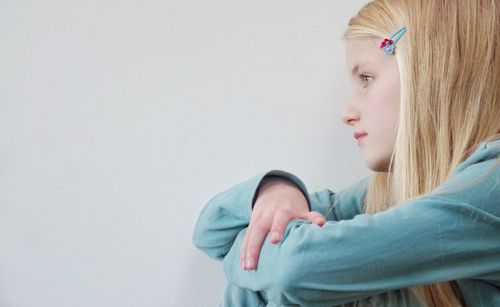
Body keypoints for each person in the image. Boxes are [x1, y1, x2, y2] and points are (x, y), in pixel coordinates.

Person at [193, 0, 500, 306]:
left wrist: (256, 251)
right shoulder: (396, 189)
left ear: (433, 73)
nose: (347, 113)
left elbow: (296, 269)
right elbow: (213, 231)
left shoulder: (492, 184)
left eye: (366, 79)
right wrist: (275, 191)